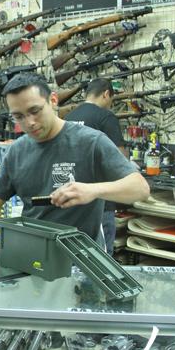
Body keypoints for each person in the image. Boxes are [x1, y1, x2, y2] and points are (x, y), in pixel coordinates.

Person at [0, 73, 149, 251]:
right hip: (34, 254)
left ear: (53, 101)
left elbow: (140, 188)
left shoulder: (91, 142)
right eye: (19, 116)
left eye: (35, 111)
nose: (29, 122)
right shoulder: (17, 151)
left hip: (82, 258)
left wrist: (93, 190)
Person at [65, 79, 128, 254]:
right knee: (102, 260)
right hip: (100, 200)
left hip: (72, 196)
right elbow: (120, 159)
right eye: (112, 100)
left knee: (76, 255)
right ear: (106, 94)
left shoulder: (69, 118)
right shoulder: (105, 117)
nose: (110, 104)